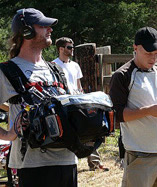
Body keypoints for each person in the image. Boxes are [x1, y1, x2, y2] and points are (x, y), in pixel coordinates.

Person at [0, 8, 77, 187]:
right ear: (26, 31)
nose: (50, 29)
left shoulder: (56, 70)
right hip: (33, 165)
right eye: (43, 25)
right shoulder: (7, 72)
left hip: (67, 161)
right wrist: (7, 134)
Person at [109, 27, 157, 187]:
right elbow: (117, 114)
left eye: (156, 53)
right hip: (139, 155)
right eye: (149, 53)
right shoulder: (122, 76)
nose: (153, 57)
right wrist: (148, 111)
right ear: (135, 48)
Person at [53, 37, 107, 171]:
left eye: (72, 47)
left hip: (77, 102)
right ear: (61, 49)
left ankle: (94, 163)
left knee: (88, 128)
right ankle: (66, 165)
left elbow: (78, 85)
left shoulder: (75, 65)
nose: (72, 50)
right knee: (67, 133)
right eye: (69, 47)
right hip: (64, 104)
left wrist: (83, 98)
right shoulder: (53, 65)